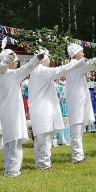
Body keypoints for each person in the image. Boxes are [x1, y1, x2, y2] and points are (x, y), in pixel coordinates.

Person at [28, 49, 85, 170]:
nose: (50, 60)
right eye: (48, 58)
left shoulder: (38, 70)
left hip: (43, 108)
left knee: (46, 137)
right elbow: (61, 70)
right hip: (42, 109)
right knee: (43, 137)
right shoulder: (41, 70)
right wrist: (76, 62)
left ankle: (44, 163)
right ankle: (42, 164)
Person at [0, 49, 44, 177]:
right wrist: (37, 59)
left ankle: (8, 168)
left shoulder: (3, 74)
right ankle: (13, 170)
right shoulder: (11, 75)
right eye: (15, 62)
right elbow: (28, 67)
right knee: (15, 141)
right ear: (9, 62)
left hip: (5, 112)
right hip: (13, 113)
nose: (17, 64)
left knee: (8, 141)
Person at [65, 43, 96, 163]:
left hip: (77, 100)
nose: (83, 54)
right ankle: (77, 156)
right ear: (76, 54)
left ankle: (78, 155)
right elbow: (92, 63)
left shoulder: (74, 65)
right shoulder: (76, 64)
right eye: (81, 51)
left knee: (78, 129)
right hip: (76, 100)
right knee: (76, 128)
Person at [54, 76, 71, 146]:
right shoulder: (56, 85)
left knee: (66, 122)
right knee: (58, 122)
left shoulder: (69, 84)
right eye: (61, 75)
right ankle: (57, 140)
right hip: (58, 105)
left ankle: (66, 139)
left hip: (66, 106)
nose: (63, 77)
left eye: (65, 75)